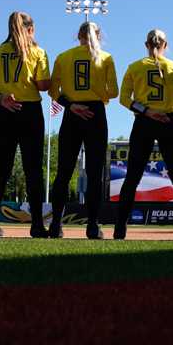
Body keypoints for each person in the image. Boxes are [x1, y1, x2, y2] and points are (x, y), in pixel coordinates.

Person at [116, 28, 173, 240]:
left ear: (146, 44)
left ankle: (119, 228)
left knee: (132, 176)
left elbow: (124, 99)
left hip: (143, 121)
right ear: (166, 45)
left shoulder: (135, 67)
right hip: (167, 121)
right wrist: (166, 106)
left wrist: (147, 110)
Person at [0, 12, 51, 238]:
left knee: (1, 170)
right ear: (30, 29)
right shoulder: (37, 52)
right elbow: (42, 85)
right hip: (29, 111)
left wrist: (0, 97)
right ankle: (38, 225)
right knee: (33, 171)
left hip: (3, 111)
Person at [48, 21, 118, 239]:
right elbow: (113, 92)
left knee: (63, 171)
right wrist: (98, 98)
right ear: (98, 35)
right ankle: (93, 226)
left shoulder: (63, 57)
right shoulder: (105, 58)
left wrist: (72, 105)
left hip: (71, 112)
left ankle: (56, 225)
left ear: (77, 35)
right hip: (95, 113)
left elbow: (52, 90)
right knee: (95, 173)